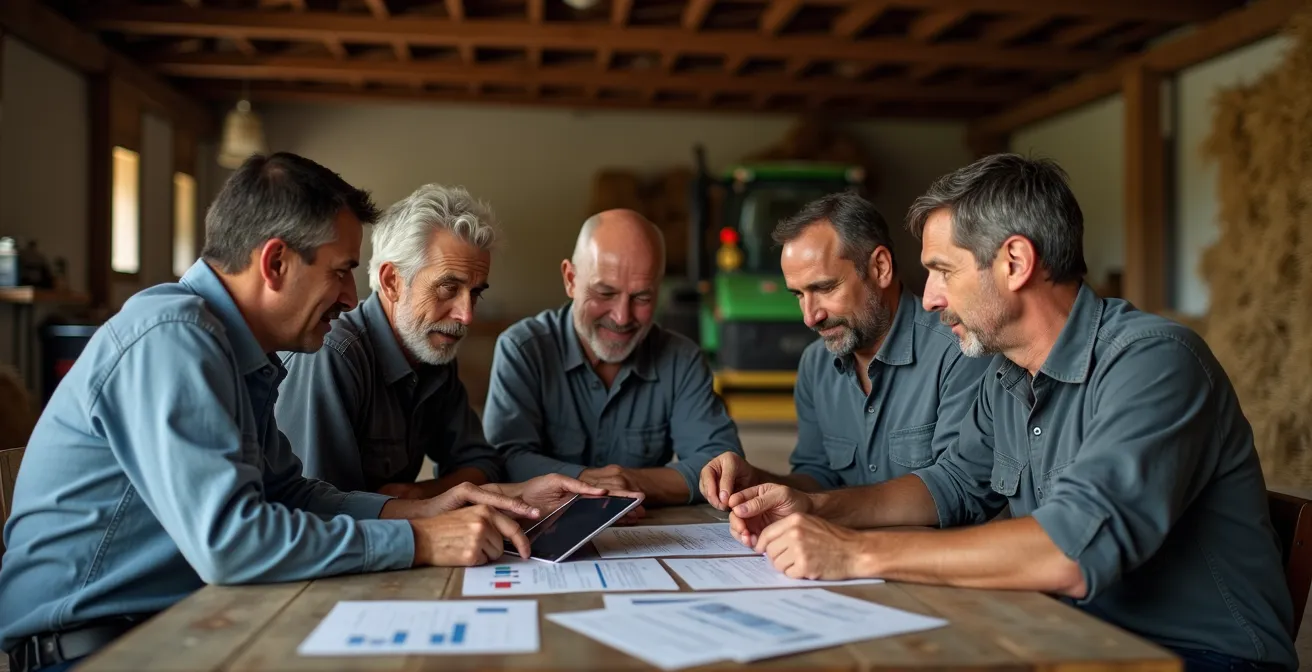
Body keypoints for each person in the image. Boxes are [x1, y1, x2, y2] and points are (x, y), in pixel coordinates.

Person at [0, 153, 608, 672]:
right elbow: (232, 543)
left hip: (172, 627)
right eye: (342, 271)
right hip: (92, 650)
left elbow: (289, 491)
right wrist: (418, 537)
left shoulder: (237, 351)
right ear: (274, 264)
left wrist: (422, 507)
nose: (350, 296)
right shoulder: (173, 337)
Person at [725, 154, 1298, 671]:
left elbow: (1071, 550)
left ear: (1015, 261)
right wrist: (815, 505)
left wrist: (852, 552)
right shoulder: (1006, 376)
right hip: (1069, 633)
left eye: (943, 271)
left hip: (1196, 655)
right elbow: (949, 485)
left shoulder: (1155, 361)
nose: (927, 298)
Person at [697, 193, 990, 508]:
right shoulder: (815, 364)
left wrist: (826, 510)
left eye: (824, 288)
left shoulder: (959, 351)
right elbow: (818, 478)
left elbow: (959, 489)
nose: (810, 316)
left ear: (880, 267)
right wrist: (756, 482)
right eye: (798, 294)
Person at [482, 209, 744, 506]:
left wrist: (630, 482)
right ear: (570, 279)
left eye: (642, 298)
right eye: (605, 293)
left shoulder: (681, 359)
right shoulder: (523, 350)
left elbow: (721, 464)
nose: (622, 317)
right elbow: (503, 462)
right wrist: (589, 482)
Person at [275, 183, 505, 498]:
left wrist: (422, 497)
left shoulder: (433, 348)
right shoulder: (333, 355)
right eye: (448, 288)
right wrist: (418, 509)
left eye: (475, 293)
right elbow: (317, 515)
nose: (466, 316)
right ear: (392, 282)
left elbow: (482, 463)